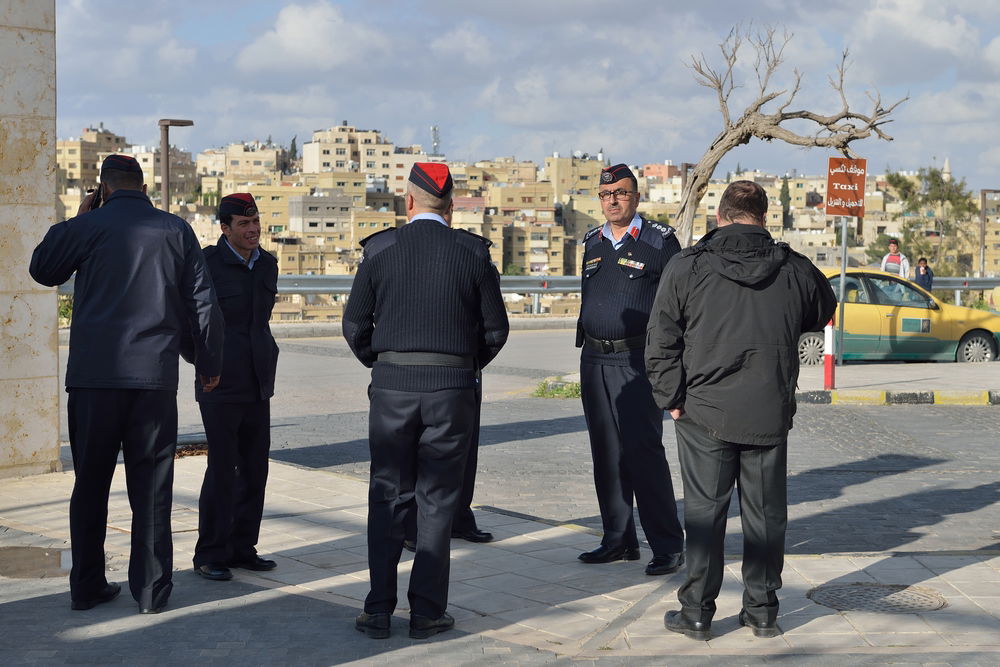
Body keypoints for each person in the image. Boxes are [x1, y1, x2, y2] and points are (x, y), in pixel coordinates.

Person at [29, 154, 223, 614]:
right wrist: (208, 363)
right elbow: (202, 303)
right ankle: (152, 592)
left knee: (91, 484)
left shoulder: (87, 227)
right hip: (153, 380)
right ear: (143, 186)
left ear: (103, 188)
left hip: (94, 380)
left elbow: (42, 269)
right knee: (152, 486)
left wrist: (77, 219)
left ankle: (87, 586)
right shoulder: (175, 229)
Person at [645, 180, 836, 640]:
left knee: (705, 514)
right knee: (766, 515)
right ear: (765, 217)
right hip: (767, 408)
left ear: (720, 216)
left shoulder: (687, 266)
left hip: (702, 411)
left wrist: (672, 399)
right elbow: (822, 308)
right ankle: (763, 611)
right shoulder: (794, 268)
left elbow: (660, 339)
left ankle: (696, 613)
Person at [343, 163, 509, 640]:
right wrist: (462, 366)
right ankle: (427, 612)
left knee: (387, 496)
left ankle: (377, 610)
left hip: (392, 388)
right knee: (437, 503)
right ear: (451, 204)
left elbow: (355, 325)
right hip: (451, 391)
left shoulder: (380, 249)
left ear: (408, 200)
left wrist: (385, 364)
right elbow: (496, 330)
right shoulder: (472, 253)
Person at [575, 163, 685, 576]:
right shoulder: (592, 242)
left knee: (644, 453)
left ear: (636, 197)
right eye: (605, 195)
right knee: (606, 453)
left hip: (637, 361)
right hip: (595, 360)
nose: (612, 200)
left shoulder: (659, 242)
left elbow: (681, 303)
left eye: (620, 193)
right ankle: (618, 539)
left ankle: (667, 544)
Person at [189, 193, 280, 582]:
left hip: (259, 381)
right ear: (225, 228)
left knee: (255, 469)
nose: (253, 229)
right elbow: (188, 320)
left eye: (256, 221)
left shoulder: (268, 265)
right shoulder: (207, 265)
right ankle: (210, 552)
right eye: (244, 224)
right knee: (223, 469)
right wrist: (203, 364)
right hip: (219, 382)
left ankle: (244, 547)